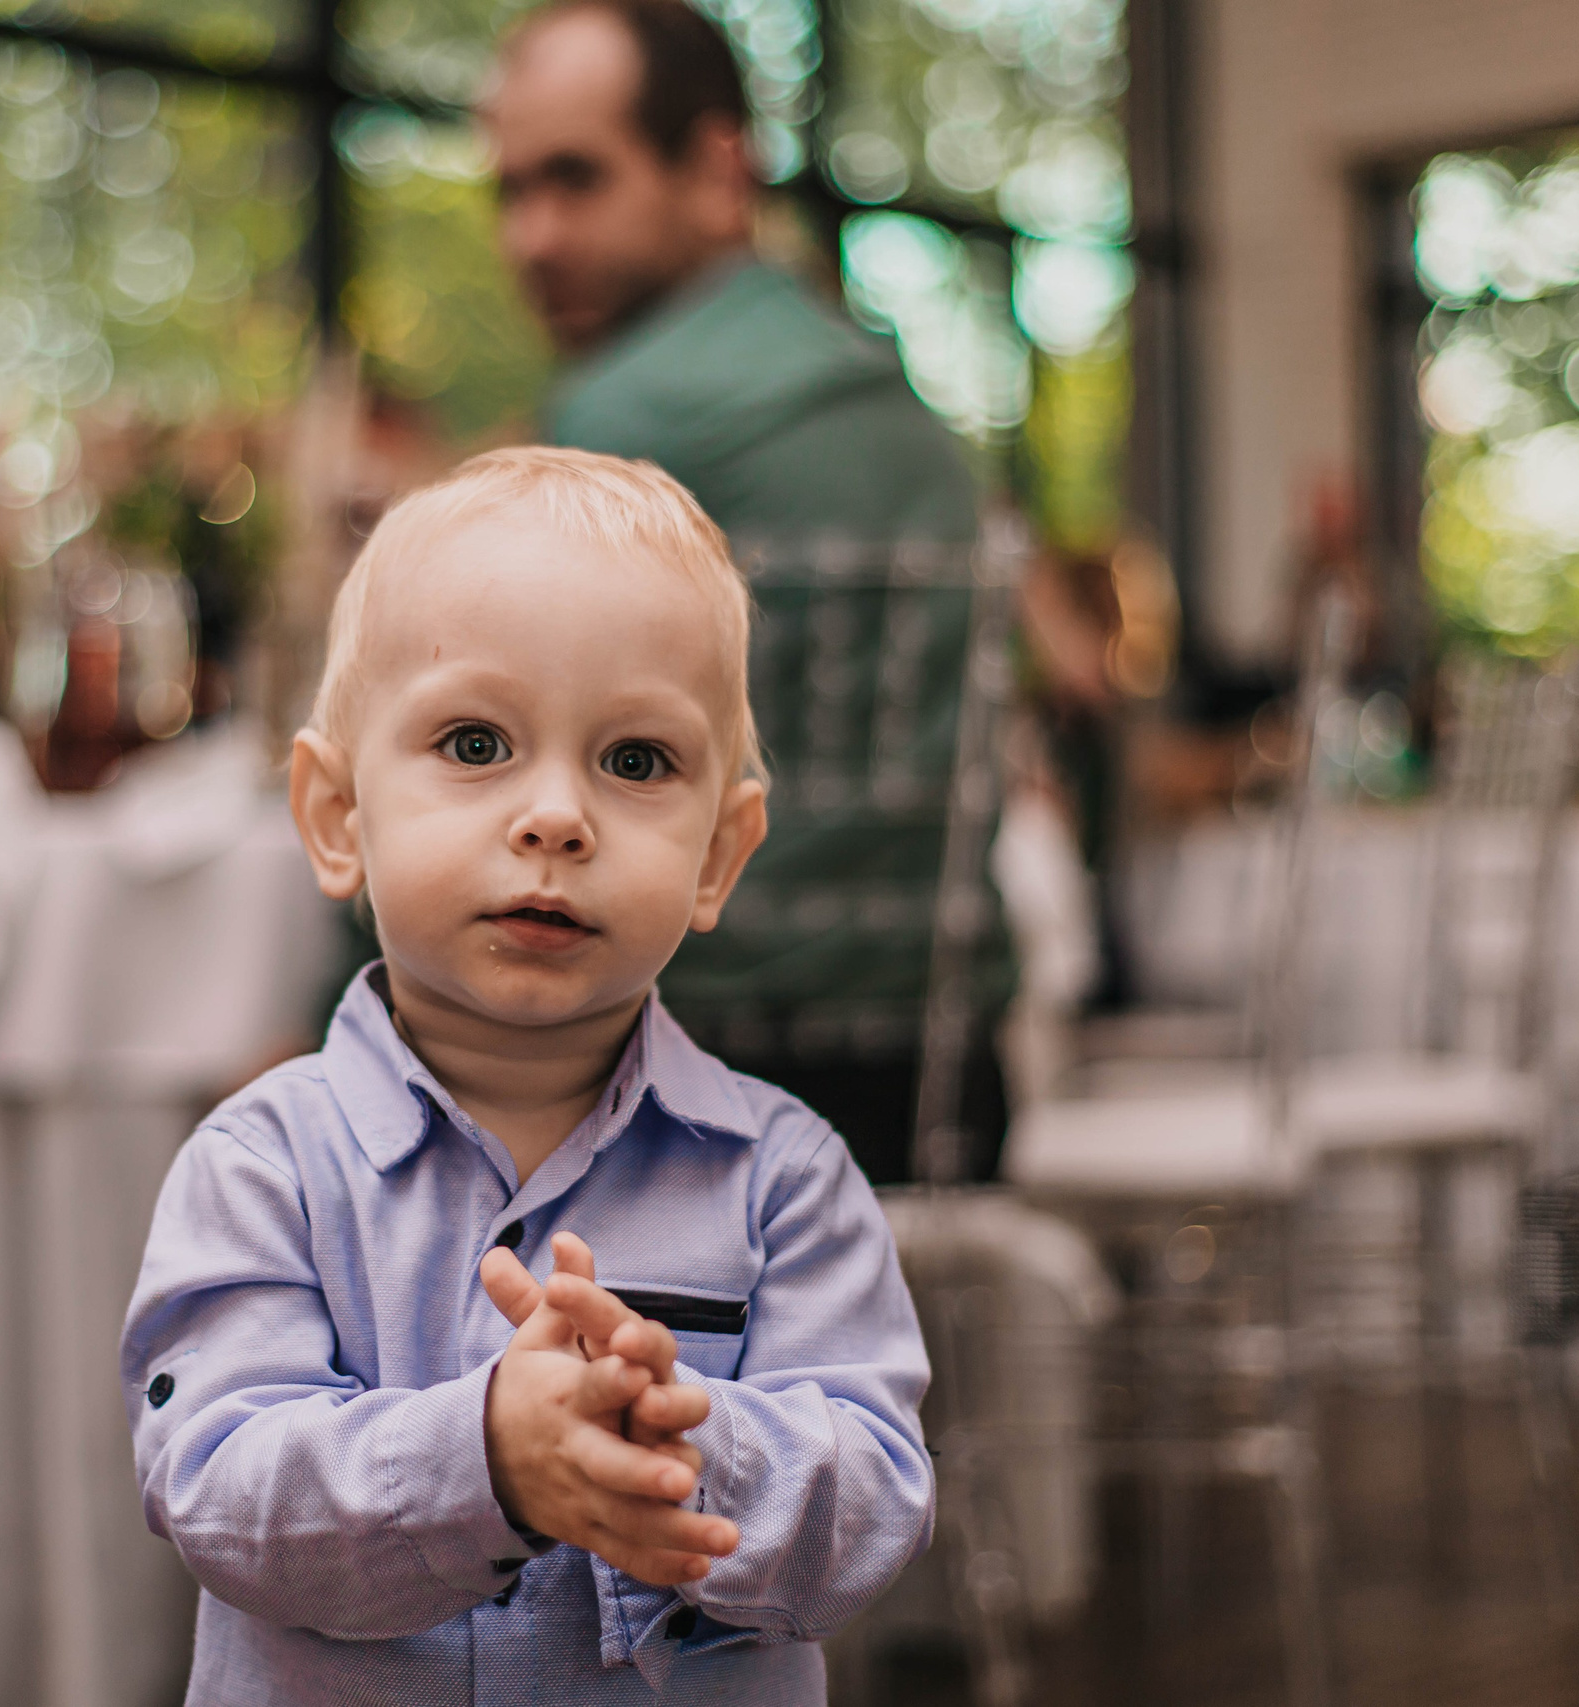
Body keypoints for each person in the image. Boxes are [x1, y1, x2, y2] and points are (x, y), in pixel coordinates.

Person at [122, 448, 932, 1703]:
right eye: (475, 740)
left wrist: (686, 1449)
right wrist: (481, 1457)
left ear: (720, 855)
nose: (555, 816)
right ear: (338, 818)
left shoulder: (787, 1182)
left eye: (636, 762)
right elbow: (217, 1482)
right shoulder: (262, 1165)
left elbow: (873, 1502)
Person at [484, 0, 1011, 1183]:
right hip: (943, 1087)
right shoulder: (909, 421)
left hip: (669, 1114)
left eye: (576, 180)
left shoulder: (614, 424)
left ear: (719, 171)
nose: (532, 236)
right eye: (511, 192)